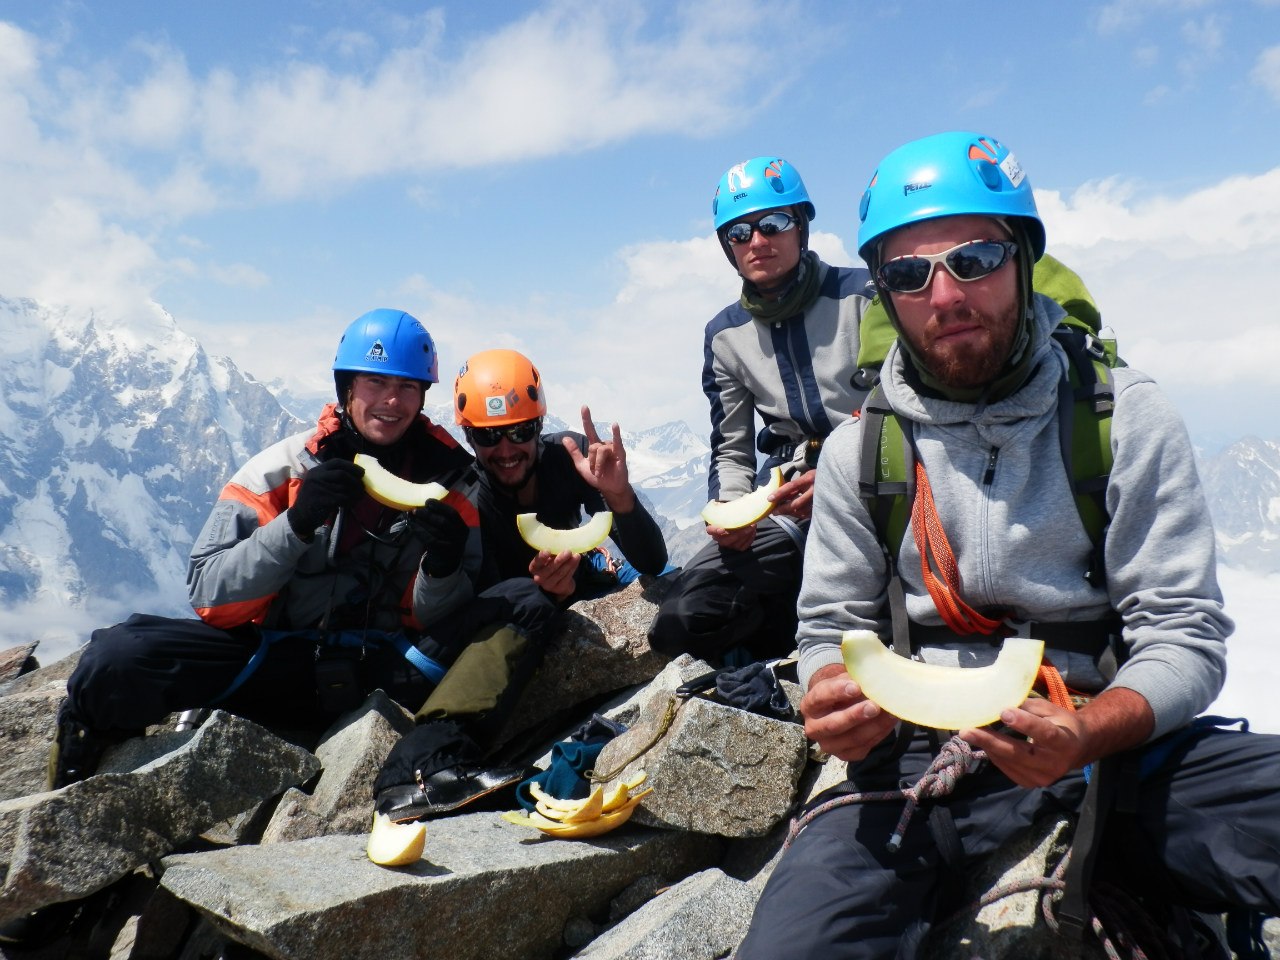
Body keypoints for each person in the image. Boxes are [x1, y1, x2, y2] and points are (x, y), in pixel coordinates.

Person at [734, 131, 1280, 959]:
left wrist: (1091, 734)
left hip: (1110, 741)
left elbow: (1183, 635)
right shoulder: (861, 452)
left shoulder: (1121, 418)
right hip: (912, 764)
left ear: (1024, 259)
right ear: (883, 292)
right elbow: (827, 628)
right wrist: (831, 693)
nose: (945, 295)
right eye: (909, 275)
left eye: (976, 258)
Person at [48, 308, 481, 789]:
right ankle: (79, 772)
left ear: (423, 397)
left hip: (386, 671)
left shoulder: (454, 485)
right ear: (347, 387)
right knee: (119, 655)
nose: (392, 401)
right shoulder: (281, 471)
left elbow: (446, 622)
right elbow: (210, 595)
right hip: (275, 660)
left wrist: (442, 568)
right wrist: (295, 524)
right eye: (375, 383)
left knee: (506, 619)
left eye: (407, 387)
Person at [373, 348, 668, 820]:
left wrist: (618, 497)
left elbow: (653, 560)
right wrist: (542, 592)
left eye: (520, 430)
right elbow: (437, 612)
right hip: (458, 639)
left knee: (547, 595)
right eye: (489, 437)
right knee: (525, 597)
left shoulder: (569, 461)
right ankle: (419, 770)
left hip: (534, 612)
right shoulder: (464, 498)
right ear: (469, 437)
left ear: (539, 425)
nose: (507, 449)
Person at [647, 156, 874, 665]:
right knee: (680, 620)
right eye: (739, 232)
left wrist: (843, 477)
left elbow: (911, 408)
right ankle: (793, 647)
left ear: (802, 225)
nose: (757, 240)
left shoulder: (866, 296)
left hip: (883, 489)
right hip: (790, 499)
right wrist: (733, 512)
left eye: (773, 223)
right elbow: (731, 447)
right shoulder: (725, 337)